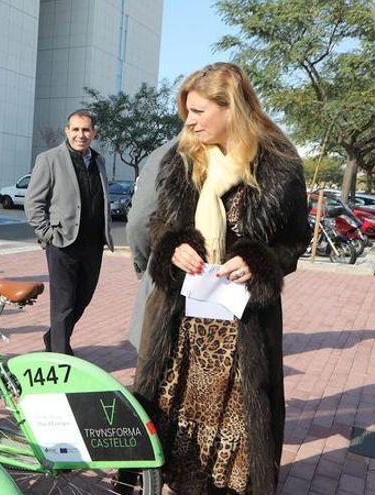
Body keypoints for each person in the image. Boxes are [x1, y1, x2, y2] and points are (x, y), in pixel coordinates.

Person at [133, 63, 310, 494]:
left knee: (239, 430)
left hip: (242, 327)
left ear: (230, 106)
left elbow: (295, 239)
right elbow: (157, 224)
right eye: (186, 113)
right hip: (182, 322)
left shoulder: (279, 164)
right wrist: (173, 245)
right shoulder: (182, 159)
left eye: (197, 111)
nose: (189, 122)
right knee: (173, 420)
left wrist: (260, 261)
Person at [25, 109, 113, 355]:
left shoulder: (98, 160)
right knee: (63, 305)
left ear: (94, 132)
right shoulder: (49, 159)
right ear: (67, 131)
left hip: (93, 244)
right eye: (75, 129)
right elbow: (33, 204)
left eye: (86, 130)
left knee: (82, 300)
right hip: (63, 243)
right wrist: (48, 235)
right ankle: (60, 357)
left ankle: (54, 338)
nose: (80, 135)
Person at [125, 138, 177, 350]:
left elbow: (139, 223)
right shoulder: (258, 152)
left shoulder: (166, 154)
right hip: (235, 304)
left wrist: (147, 264)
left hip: (171, 281)